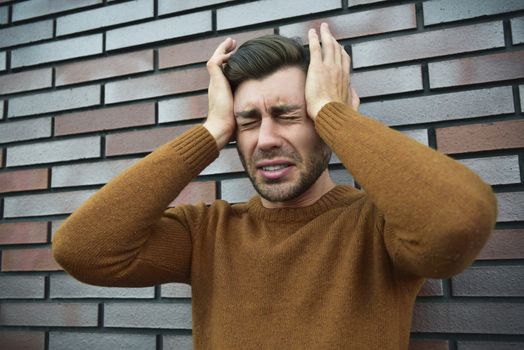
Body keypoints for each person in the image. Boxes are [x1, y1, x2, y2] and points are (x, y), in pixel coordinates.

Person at [52, 23, 497, 349]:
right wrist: (210, 130)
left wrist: (335, 114)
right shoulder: (208, 232)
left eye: (288, 115)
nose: (265, 139)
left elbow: (459, 219)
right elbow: (83, 249)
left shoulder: (380, 225)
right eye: (247, 123)